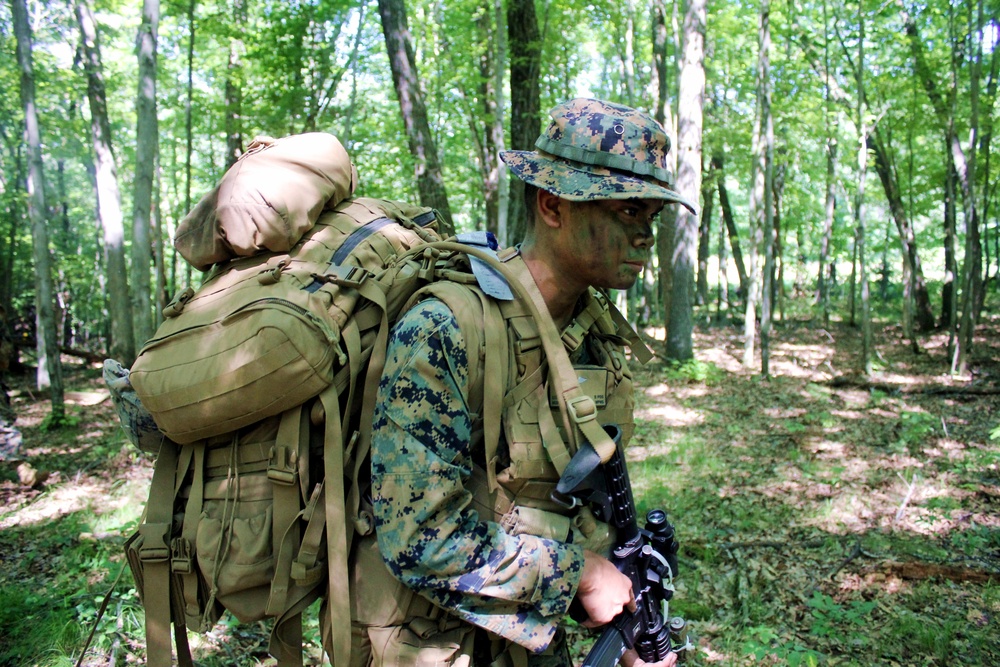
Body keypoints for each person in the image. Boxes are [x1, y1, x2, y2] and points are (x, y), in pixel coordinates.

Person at [347, 98, 696, 667]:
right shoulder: (447, 328)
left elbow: (560, 506)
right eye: (628, 211)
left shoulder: (595, 339)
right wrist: (580, 577)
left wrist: (627, 630)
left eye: (652, 217)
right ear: (553, 205)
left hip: (530, 640)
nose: (646, 237)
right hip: (427, 644)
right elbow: (419, 537)